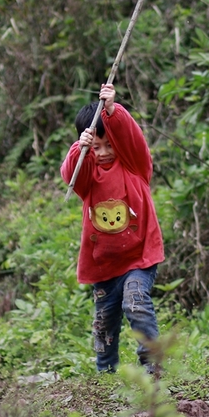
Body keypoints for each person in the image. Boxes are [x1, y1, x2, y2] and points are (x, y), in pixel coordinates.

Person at [61, 84, 164, 373]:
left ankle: (153, 368)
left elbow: (132, 139)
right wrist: (79, 149)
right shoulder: (89, 177)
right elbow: (71, 174)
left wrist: (112, 111)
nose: (104, 152)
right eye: (97, 147)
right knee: (104, 325)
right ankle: (105, 374)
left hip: (138, 259)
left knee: (136, 302)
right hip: (104, 268)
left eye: (110, 145)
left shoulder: (134, 165)